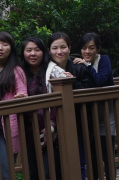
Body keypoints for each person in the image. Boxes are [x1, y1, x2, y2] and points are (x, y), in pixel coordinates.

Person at [47, 32, 94, 180]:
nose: (59, 51)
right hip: (51, 124)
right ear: (49, 50)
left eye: (63, 47)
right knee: (55, 167)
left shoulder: (79, 67)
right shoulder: (46, 69)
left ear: (69, 48)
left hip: (77, 123)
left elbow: (88, 91)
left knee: (78, 163)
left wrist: (71, 80)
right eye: (55, 48)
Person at [73, 32, 116, 180]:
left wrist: (88, 65)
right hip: (89, 117)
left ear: (98, 49)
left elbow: (100, 80)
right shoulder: (77, 64)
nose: (87, 51)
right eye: (84, 48)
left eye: (91, 48)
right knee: (92, 157)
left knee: (107, 155)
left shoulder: (103, 60)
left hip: (105, 114)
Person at [20, 36, 62, 179]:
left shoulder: (52, 71)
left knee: (48, 172)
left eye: (37, 50)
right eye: (29, 50)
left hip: (49, 131)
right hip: (27, 130)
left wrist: (52, 123)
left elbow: (60, 98)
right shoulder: (19, 73)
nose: (33, 54)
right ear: (23, 53)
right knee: (32, 173)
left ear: (44, 52)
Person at [0, 31, 27, 179]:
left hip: (7, 126)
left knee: (4, 171)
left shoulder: (16, 71)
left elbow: (23, 93)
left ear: (11, 48)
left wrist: (21, 97)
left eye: (5, 44)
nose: (0, 48)